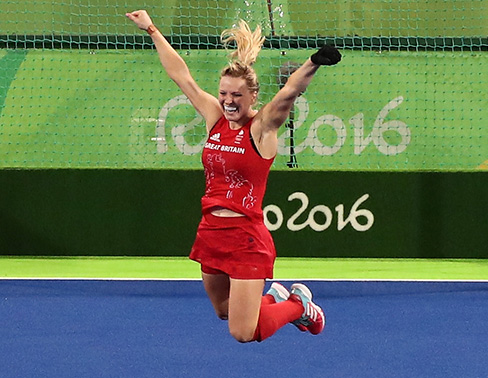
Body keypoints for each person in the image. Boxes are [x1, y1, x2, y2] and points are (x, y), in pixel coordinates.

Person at [126, 10, 341, 343]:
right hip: (211, 231)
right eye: (224, 93)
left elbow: (287, 94)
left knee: (242, 331)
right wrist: (152, 29)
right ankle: (279, 300)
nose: (227, 101)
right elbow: (181, 76)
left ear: (252, 96)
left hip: (245, 238)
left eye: (236, 96)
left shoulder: (262, 127)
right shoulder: (215, 118)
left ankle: (299, 307)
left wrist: (313, 62)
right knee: (225, 309)